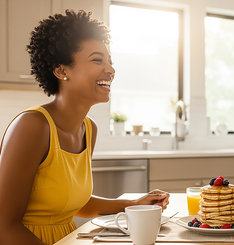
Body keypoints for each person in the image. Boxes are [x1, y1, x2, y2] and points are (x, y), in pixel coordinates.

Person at [0, 10, 169, 245]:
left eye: (110, 61)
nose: (110, 70)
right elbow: (4, 227)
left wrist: (133, 204)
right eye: (97, 60)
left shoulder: (88, 129)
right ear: (61, 71)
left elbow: (76, 202)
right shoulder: (32, 126)